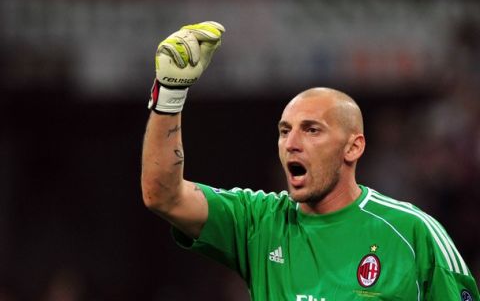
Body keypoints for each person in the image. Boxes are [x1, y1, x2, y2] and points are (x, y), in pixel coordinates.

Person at [141, 21, 480, 301]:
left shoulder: (413, 232)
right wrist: (169, 95)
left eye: (312, 130)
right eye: (284, 131)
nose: (292, 143)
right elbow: (163, 195)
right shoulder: (259, 223)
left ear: (353, 147)